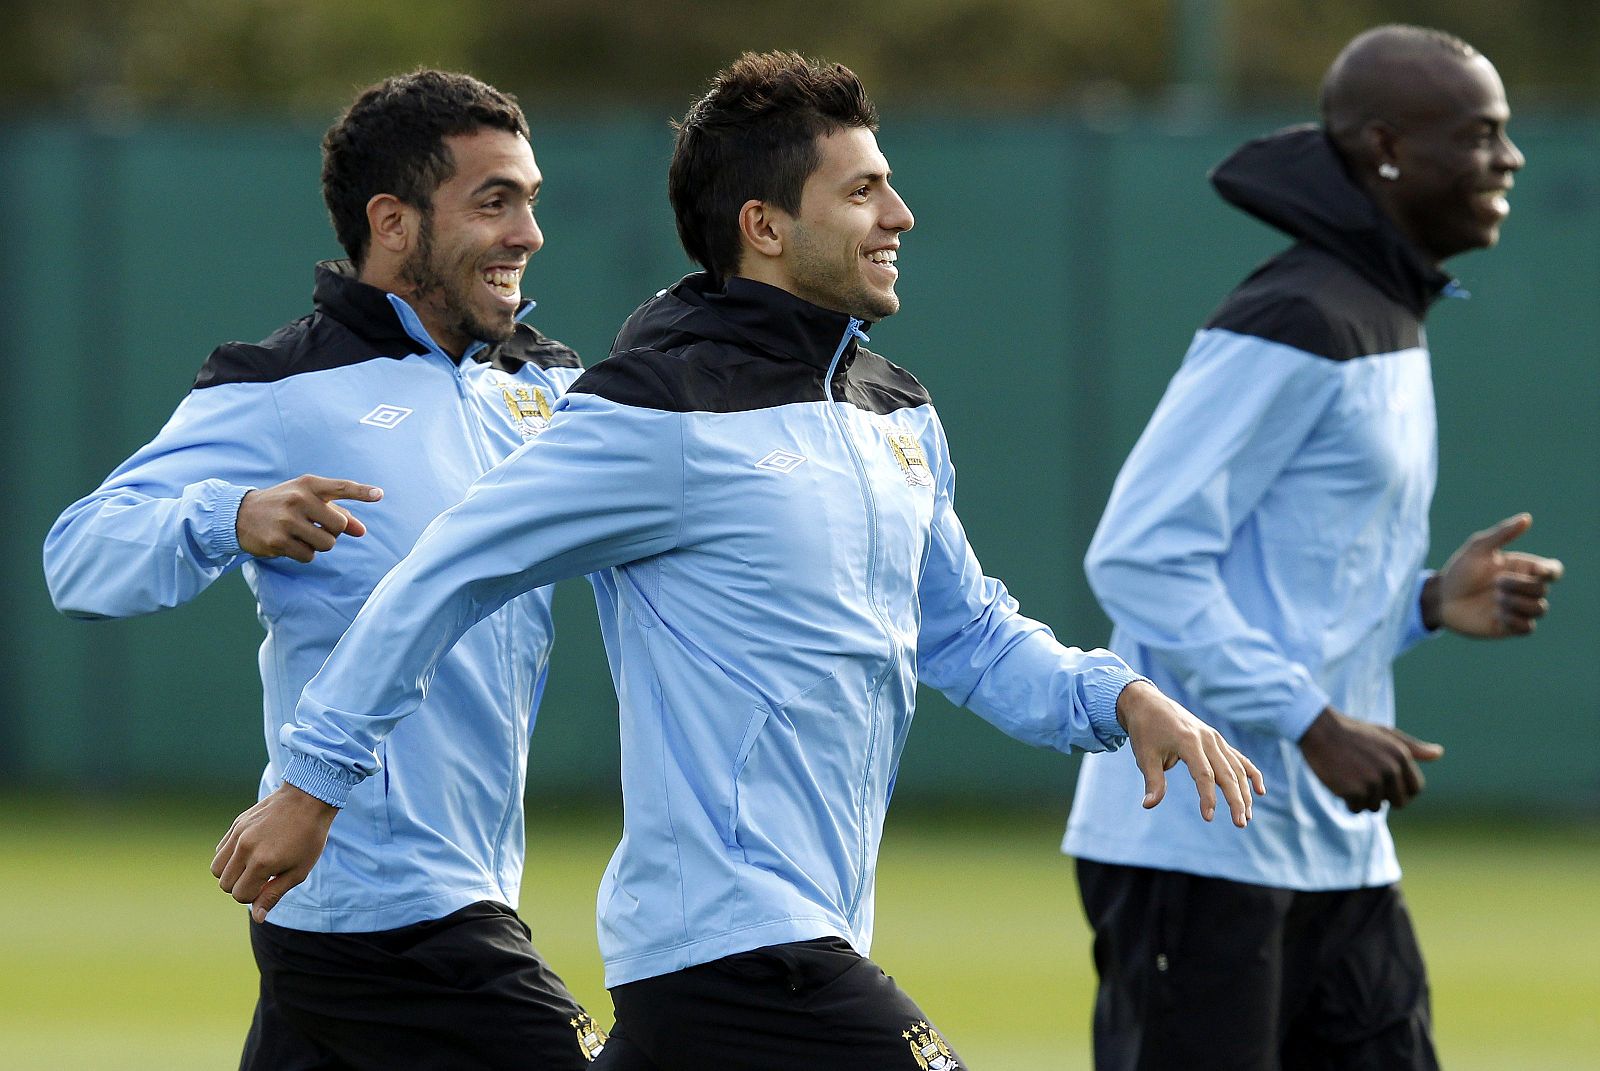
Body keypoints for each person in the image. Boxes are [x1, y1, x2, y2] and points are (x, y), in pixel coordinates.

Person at [211, 51, 1263, 1071]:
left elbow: (969, 635)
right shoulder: (652, 410)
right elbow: (444, 575)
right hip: (736, 951)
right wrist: (313, 784)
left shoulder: (892, 408)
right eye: (862, 191)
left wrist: (1120, 697)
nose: (897, 216)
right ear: (762, 226)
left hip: (797, 944)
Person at [44, 70, 607, 1069]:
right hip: (386, 905)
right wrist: (229, 516)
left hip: (420, 894)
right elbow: (80, 559)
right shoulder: (280, 388)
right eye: (493, 202)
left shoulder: (543, 385)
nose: (528, 234)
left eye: (529, 200)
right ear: (393, 222)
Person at [1061, 25, 1564, 1071]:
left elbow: (1293, 589)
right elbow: (1139, 556)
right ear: (1384, 147)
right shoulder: (1294, 315)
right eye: (1480, 136)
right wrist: (1312, 721)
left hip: (1332, 854)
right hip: (1195, 848)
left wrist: (1424, 602)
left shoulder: (1385, 312)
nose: (1508, 160)